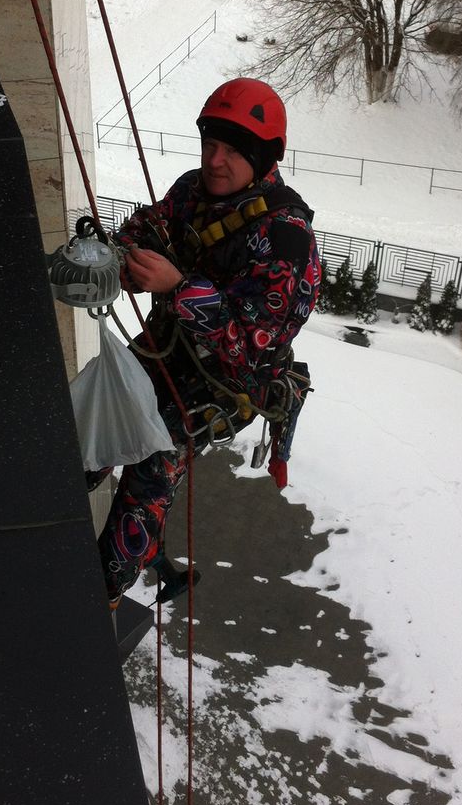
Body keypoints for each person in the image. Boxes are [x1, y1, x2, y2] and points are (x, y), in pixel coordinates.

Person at [97, 78, 321, 608]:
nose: (215, 161)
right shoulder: (192, 192)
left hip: (222, 383)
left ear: (262, 158)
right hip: (170, 348)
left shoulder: (285, 239)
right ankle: (57, 496)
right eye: (210, 144)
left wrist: (178, 287)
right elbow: (147, 227)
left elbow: (247, 351)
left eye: (233, 151)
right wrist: (123, 260)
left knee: (150, 465)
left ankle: (103, 585)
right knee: (96, 416)